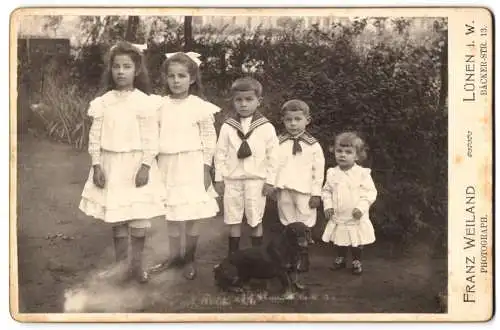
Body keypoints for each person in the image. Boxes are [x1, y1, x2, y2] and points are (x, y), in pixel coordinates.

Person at [79, 41, 166, 283]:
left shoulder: (144, 102)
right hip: (111, 164)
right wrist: (96, 165)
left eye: (126, 66)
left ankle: (136, 266)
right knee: (117, 216)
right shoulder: (103, 102)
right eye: (116, 66)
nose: (120, 71)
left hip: (136, 163)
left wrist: (146, 166)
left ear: (136, 70)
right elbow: (95, 137)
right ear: (111, 70)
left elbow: (151, 138)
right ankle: (121, 267)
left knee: (138, 214)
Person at [148, 52, 220, 280]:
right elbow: (151, 136)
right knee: (172, 213)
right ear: (165, 78)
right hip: (167, 164)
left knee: (191, 212)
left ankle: (189, 258)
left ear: (192, 79)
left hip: (192, 163)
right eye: (171, 76)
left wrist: (206, 167)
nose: (176, 81)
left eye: (181, 76)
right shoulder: (159, 105)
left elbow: (209, 138)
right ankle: (174, 257)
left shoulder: (199, 106)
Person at [214, 77, 279, 256]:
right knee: (233, 219)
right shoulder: (228, 127)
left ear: (259, 101)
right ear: (233, 101)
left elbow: (274, 157)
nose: (243, 104)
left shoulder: (266, 127)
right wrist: (219, 178)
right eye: (238, 100)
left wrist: (270, 181)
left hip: (256, 181)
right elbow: (220, 153)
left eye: (249, 99)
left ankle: (257, 259)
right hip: (232, 180)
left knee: (255, 219)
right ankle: (233, 258)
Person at [275, 99, 325, 275]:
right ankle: (289, 255)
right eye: (289, 120)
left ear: (307, 120)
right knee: (287, 221)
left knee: (304, 223)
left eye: (297, 119)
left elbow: (318, 172)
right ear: (283, 120)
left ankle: (303, 256)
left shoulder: (313, 145)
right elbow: (273, 165)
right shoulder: (278, 142)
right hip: (285, 189)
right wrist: (274, 185)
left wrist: (316, 194)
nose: (293, 124)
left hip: (305, 190)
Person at [321, 131, 377, 275]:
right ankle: (340, 258)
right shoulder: (332, 173)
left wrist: (361, 208)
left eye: (348, 152)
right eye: (339, 151)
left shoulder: (362, 174)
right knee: (340, 238)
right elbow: (326, 191)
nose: (342, 155)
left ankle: (356, 261)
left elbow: (370, 193)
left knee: (355, 240)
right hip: (339, 215)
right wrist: (328, 206)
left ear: (357, 156)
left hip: (355, 216)